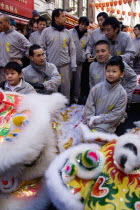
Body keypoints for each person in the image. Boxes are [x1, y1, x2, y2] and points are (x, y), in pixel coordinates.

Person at [83, 56, 127, 134]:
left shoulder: (122, 94)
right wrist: (90, 120)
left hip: (108, 122)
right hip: (91, 120)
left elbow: (115, 115)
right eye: (108, 71)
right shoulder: (96, 88)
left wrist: (97, 119)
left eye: (114, 71)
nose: (110, 74)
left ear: (121, 74)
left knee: (98, 134)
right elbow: (89, 107)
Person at [40, 8, 77, 100]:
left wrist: (73, 65)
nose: (65, 19)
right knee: (52, 91)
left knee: (65, 91)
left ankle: (66, 111)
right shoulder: (46, 32)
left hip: (65, 67)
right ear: (56, 18)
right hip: (51, 67)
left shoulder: (68, 33)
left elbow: (72, 50)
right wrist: (45, 64)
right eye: (63, 17)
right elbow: (42, 48)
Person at [0, 14, 31, 82]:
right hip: (1, 70)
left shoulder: (18, 36)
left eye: (1, 23)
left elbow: (30, 48)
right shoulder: (0, 35)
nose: (0, 25)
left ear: (8, 23)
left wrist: (22, 59)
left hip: (12, 70)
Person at [69, 16, 90, 103]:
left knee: (77, 83)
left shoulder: (88, 36)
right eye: (81, 24)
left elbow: (88, 47)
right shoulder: (70, 32)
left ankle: (75, 100)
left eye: (85, 25)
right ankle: (67, 99)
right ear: (79, 23)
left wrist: (85, 55)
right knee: (69, 81)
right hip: (69, 62)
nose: (83, 27)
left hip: (80, 62)